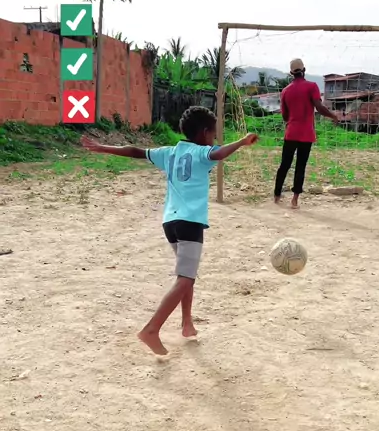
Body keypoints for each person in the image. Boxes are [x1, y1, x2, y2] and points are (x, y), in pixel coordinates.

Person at [81, 106, 258, 356]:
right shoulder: (202, 153)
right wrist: (241, 141)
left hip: (170, 223)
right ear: (205, 132)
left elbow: (135, 151)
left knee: (186, 274)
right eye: (213, 133)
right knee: (186, 278)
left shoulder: (169, 152)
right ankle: (151, 329)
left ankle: (187, 323)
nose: (215, 138)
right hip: (190, 222)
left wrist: (103, 147)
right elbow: (218, 153)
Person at [274, 58, 339, 208]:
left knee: (284, 164)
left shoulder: (285, 91)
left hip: (291, 132)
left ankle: (277, 195)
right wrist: (333, 116)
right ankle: (295, 199)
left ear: (291, 73)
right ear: (304, 70)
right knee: (300, 166)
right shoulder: (312, 86)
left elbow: (285, 116)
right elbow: (319, 107)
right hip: (306, 134)